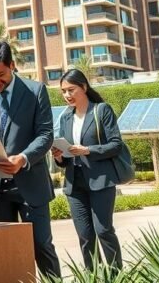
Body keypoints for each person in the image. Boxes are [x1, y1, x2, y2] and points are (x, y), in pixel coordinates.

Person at [0, 41, 60, 280]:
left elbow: (46, 134)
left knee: (42, 247)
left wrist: (24, 158)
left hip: (31, 185)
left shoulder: (36, 90)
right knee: (2, 253)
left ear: (12, 65)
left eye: (0, 74)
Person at [51, 68, 124, 271]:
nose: (67, 95)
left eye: (71, 90)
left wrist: (88, 150)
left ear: (83, 87)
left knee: (103, 231)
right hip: (75, 185)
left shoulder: (102, 110)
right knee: (85, 235)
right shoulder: (65, 118)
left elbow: (116, 144)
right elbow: (67, 157)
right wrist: (59, 157)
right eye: (63, 91)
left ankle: (116, 275)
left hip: (100, 181)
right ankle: (92, 275)